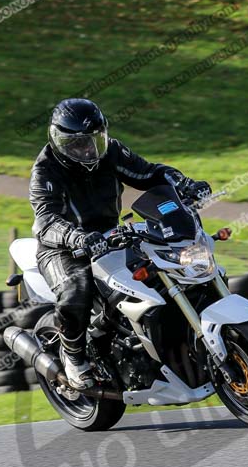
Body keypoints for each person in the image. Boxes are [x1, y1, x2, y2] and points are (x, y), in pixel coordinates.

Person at [29, 98, 211, 390]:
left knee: (167, 268)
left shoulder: (110, 152)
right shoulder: (45, 172)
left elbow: (150, 174)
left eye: (94, 139)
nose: (88, 149)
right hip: (62, 246)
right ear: (60, 141)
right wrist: (77, 237)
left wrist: (183, 183)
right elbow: (47, 220)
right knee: (76, 291)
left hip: (110, 235)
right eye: (78, 144)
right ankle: (73, 357)